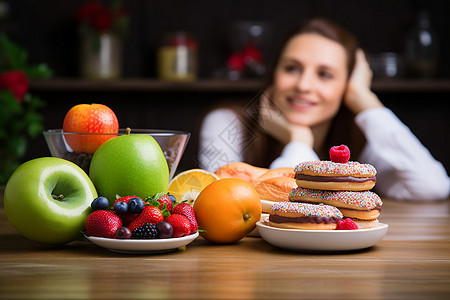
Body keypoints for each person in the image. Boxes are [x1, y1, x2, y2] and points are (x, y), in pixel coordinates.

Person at [198, 17, 449, 201]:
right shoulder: (227, 123)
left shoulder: (359, 138)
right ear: (273, 74)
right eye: (292, 68)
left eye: (325, 74)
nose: (304, 85)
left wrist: (364, 98)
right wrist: (299, 140)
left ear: (347, 87)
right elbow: (223, 201)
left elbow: (432, 186)